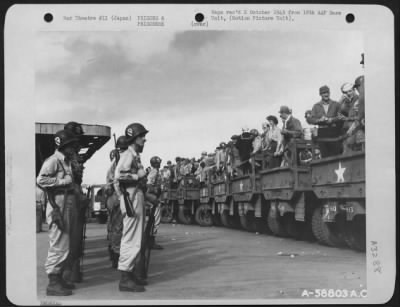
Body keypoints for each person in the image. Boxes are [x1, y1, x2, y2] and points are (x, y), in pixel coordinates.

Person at [37, 129, 80, 296]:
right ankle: (53, 282)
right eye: (71, 145)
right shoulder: (53, 161)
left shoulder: (66, 161)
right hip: (58, 202)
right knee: (58, 243)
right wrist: (62, 181)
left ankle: (59, 278)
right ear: (63, 146)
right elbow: (41, 180)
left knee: (66, 242)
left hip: (67, 200)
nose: (74, 148)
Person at [114, 123, 149, 292]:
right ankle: (125, 278)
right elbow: (119, 175)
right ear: (134, 138)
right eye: (142, 136)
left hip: (135, 196)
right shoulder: (128, 154)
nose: (144, 139)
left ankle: (130, 273)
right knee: (130, 239)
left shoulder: (134, 155)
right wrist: (138, 176)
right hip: (131, 198)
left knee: (136, 238)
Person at [62, 121, 89, 284]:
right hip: (70, 197)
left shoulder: (74, 155)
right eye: (76, 137)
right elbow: (68, 179)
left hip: (76, 196)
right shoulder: (64, 155)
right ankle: (68, 273)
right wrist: (79, 194)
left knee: (77, 237)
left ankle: (74, 271)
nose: (79, 141)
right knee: (69, 238)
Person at [105, 136, 128, 269]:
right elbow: (116, 181)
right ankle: (116, 254)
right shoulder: (118, 162)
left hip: (113, 197)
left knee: (113, 227)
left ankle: (113, 251)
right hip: (117, 196)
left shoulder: (115, 162)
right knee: (118, 228)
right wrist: (120, 197)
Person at [307, 85, 343, 157]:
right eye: (323, 93)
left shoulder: (336, 104)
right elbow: (310, 119)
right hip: (322, 134)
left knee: (336, 155)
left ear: (329, 93)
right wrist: (319, 120)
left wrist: (332, 120)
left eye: (327, 92)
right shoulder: (316, 106)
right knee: (325, 156)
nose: (326, 94)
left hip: (334, 133)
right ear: (320, 94)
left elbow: (341, 117)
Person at [343, 76, 365, 153]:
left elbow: (359, 118)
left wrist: (349, 131)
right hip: (357, 130)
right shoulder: (356, 101)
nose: (357, 89)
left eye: (358, 86)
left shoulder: (361, 98)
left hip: (361, 131)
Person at [146, 156, 164, 250]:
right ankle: (151, 242)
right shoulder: (154, 172)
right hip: (154, 199)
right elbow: (148, 185)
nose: (160, 163)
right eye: (158, 162)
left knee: (153, 220)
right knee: (155, 221)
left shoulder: (155, 171)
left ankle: (150, 241)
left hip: (154, 198)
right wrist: (155, 190)